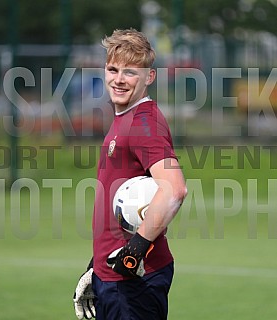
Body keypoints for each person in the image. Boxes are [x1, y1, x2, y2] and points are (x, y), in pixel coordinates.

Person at [73, 28, 187, 320]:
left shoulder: (144, 124)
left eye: (130, 72)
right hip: (115, 275)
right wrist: (97, 265)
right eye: (113, 69)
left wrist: (134, 250)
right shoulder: (124, 118)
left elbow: (174, 189)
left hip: (133, 280)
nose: (119, 79)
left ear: (149, 77)